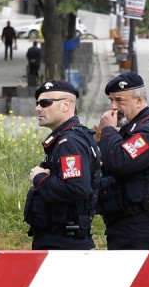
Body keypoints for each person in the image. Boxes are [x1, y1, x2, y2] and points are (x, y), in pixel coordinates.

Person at [95, 72, 149, 250]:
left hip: (142, 228)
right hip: (123, 224)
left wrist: (108, 131)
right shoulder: (131, 129)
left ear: (138, 100)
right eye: (111, 100)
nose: (114, 107)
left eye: (119, 100)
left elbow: (119, 162)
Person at [24, 80, 98, 250]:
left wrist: (39, 178)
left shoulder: (69, 142)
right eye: (37, 103)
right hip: (62, 237)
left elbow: (76, 188)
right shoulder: (69, 138)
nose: (38, 108)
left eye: (45, 103)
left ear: (66, 105)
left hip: (64, 242)